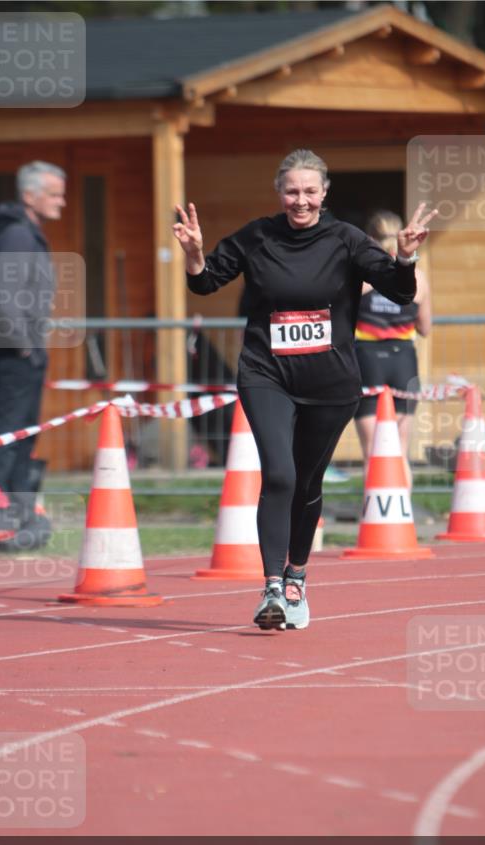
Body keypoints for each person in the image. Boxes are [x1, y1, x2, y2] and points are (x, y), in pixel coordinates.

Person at [173, 149, 434, 631]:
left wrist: (405, 256)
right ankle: (272, 587)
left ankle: (297, 578)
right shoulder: (258, 236)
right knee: (278, 474)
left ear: (324, 194)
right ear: (279, 192)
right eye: (292, 191)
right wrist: (193, 255)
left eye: (310, 191)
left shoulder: (346, 240)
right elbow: (206, 283)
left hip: (330, 382)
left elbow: (400, 293)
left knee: (307, 485)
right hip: (265, 373)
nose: (301, 200)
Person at [0, 160, 66, 505]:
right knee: (8, 432)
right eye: (55, 195)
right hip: (15, 352)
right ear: (29, 196)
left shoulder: (26, 231)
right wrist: (23, 347)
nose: (62, 202)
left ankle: (16, 510)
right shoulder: (16, 234)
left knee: (23, 431)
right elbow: (4, 296)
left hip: (25, 349)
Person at [354, 210, 432, 490]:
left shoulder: (363, 276)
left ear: (370, 238)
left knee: (372, 452)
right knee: (399, 450)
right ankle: (403, 521)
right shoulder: (418, 278)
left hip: (367, 359)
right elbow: (425, 327)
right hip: (404, 362)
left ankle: (373, 520)